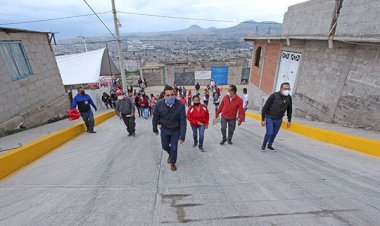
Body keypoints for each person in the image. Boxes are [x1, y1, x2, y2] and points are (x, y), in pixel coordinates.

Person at [153, 85, 187, 171]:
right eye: (168, 95)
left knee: (174, 148)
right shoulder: (159, 104)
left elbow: (183, 122)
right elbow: (155, 117)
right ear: (164, 96)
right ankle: (170, 154)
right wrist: (155, 129)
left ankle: (173, 163)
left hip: (176, 130)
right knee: (164, 146)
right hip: (164, 129)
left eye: (172, 95)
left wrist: (182, 136)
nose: (171, 97)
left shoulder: (180, 105)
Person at [261, 82, 293, 152]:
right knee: (269, 132)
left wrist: (289, 120)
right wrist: (263, 119)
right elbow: (265, 107)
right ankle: (264, 144)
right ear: (281, 89)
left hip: (279, 119)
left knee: (274, 133)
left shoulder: (289, 98)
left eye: (288, 89)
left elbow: (289, 109)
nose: (286, 90)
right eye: (285, 89)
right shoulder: (274, 96)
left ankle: (269, 145)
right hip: (270, 117)